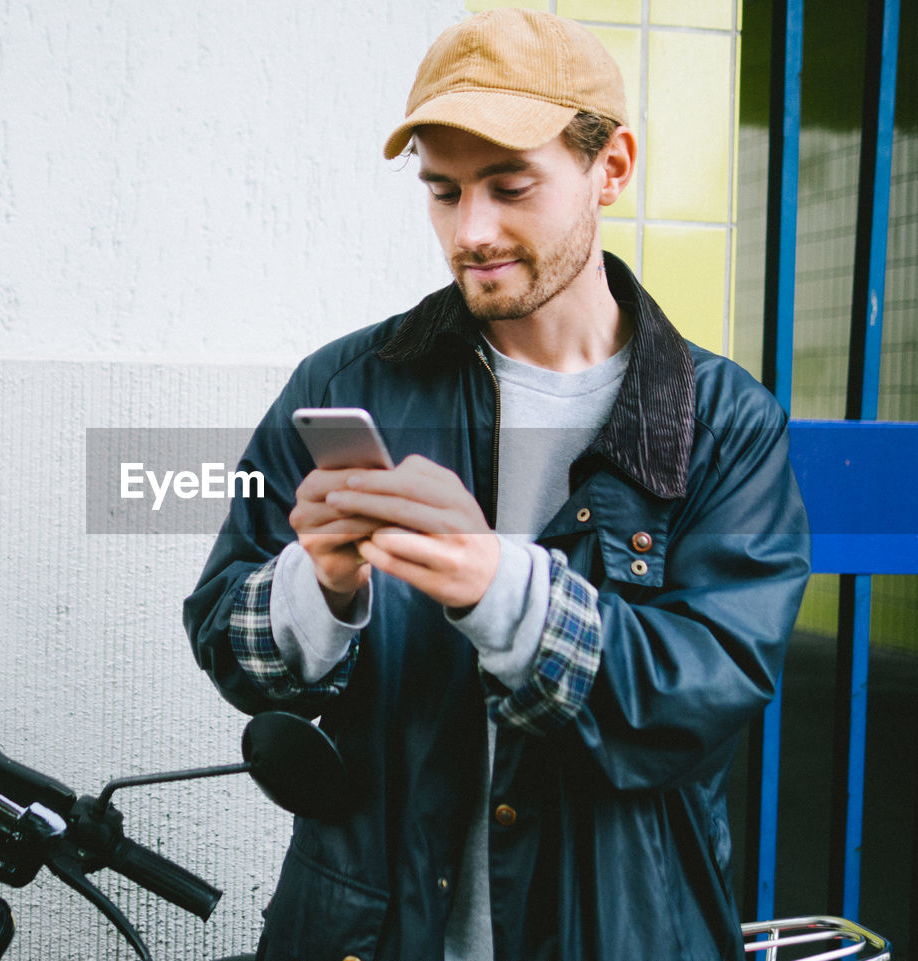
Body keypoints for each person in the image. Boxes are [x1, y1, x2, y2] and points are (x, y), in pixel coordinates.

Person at [183, 8, 810, 961]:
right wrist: (322, 586)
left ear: (613, 168)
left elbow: (705, 692)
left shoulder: (723, 422)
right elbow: (229, 646)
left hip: (620, 931)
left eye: (511, 186)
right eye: (443, 192)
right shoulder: (346, 388)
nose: (471, 230)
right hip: (369, 929)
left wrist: (495, 583)